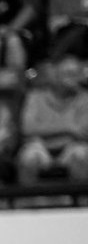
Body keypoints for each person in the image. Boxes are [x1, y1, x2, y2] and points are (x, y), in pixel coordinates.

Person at [17, 55, 88, 183]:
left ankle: (83, 201)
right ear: (56, 75)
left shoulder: (85, 98)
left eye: (76, 74)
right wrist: (68, 128)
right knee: (29, 157)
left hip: (72, 147)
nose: (73, 78)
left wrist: (45, 130)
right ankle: (28, 201)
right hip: (39, 146)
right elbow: (28, 128)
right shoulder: (35, 97)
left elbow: (83, 132)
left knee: (81, 155)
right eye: (68, 73)